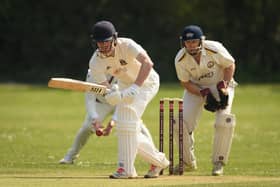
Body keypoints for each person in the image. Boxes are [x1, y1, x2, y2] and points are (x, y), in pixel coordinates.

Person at [89, 20, 169, 179]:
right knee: (125, 125)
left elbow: (148, 63)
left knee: (128, 117)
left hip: (146, 82)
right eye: (99, 42)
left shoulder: (127, 45)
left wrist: (136, 87)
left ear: (114, 38)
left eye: (106, 42)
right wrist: (110, 94)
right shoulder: (95, 62)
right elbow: (105, 86)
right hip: (125, 85)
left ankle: (126, 169)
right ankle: (156, 162)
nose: (103, 46)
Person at [174, 25, 237, 176]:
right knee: (180, 123)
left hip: (221, 84)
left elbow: (229, 65)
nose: (191, 45)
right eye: (188, 42)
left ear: (201, 41)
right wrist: (203, 93)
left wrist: (224, 87)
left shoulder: (214, 48)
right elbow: (185, 82)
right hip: (197, 89)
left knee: (223, 121)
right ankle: (187, 162)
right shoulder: (180, 58)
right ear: (183, 43)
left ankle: (218, 163)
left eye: (194, 42)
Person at [59, 69, 117, 164]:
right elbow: (90, 98)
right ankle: (70, 157)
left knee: (134, 126)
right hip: (101, 103)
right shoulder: (93, 71)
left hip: (121, 104)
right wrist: (95, 119)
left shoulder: (124, 70)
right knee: (87, 127)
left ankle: (150, 160)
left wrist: (113, 122)